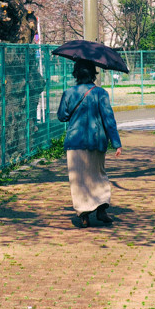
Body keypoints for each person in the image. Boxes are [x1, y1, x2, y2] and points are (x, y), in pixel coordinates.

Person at [56, 59, 122, 227]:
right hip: (97, 140)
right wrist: (116, 143)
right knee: (98, 174)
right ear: (93, 74)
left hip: (75, 141)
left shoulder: (69, 93)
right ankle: (101, 209)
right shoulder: (100, 93)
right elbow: (109, 120)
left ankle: (84, 214)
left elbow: (62, 116)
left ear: (76, 74)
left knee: (78, 178)